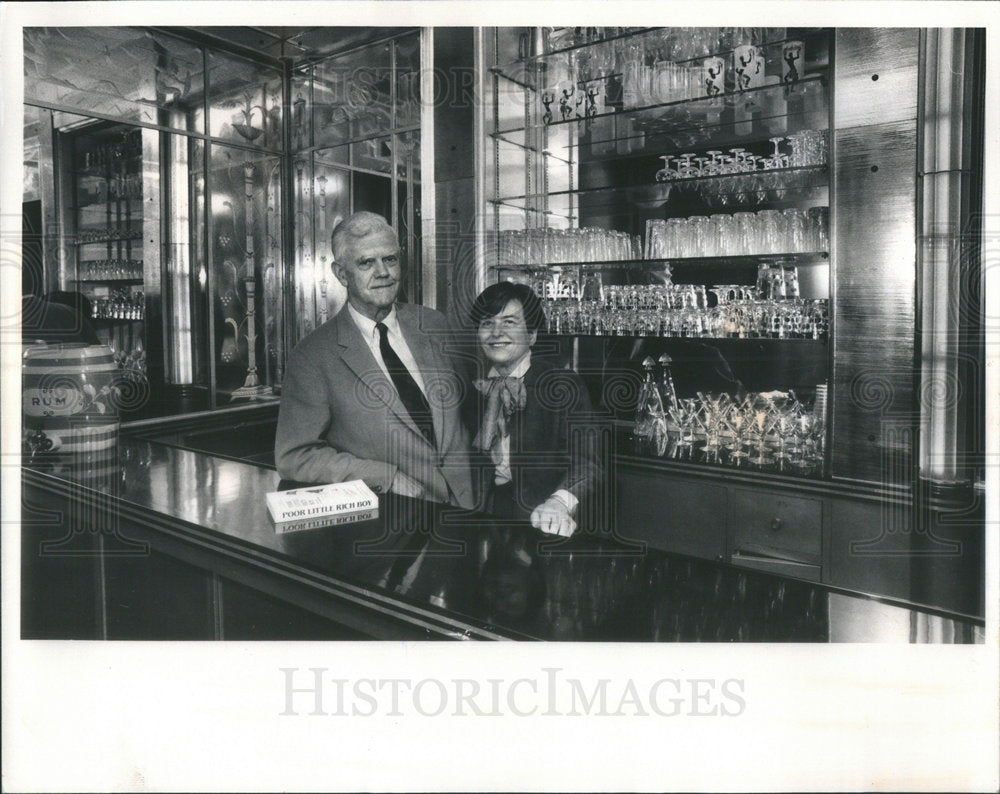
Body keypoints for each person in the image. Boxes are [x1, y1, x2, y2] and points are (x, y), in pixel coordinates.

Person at [274, 212, 473, 508]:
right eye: (366, 263)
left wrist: (498, 390)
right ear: (342, 275)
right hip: (398, 522)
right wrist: (385, 477)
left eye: (390, 259)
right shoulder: (312, 356)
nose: (383, 272)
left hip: (468, 510)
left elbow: (465, 406)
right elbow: (295, 457)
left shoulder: (433, 324)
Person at [467, 281, 604, 537]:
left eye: (509, 322)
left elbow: (589, 464)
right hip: (481, 520)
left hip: (543, 520)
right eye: (487, 323)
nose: (496, 332)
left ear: (532, 335)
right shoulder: (471, 388)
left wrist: (559, 502)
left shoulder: (562, 386)